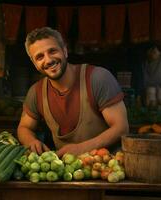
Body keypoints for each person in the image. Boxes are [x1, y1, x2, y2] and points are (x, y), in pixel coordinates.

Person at [17, 27, 129, 157]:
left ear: (64, 51)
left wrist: (82, 148)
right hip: (68, 172)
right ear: (34, 63)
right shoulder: (36, 92)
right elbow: (24, 127)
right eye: (40, 57)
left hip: (107, 169)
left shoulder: (97, 78)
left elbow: (121, 128)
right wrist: (31, 141)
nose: (48, 60)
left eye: (52, 51)